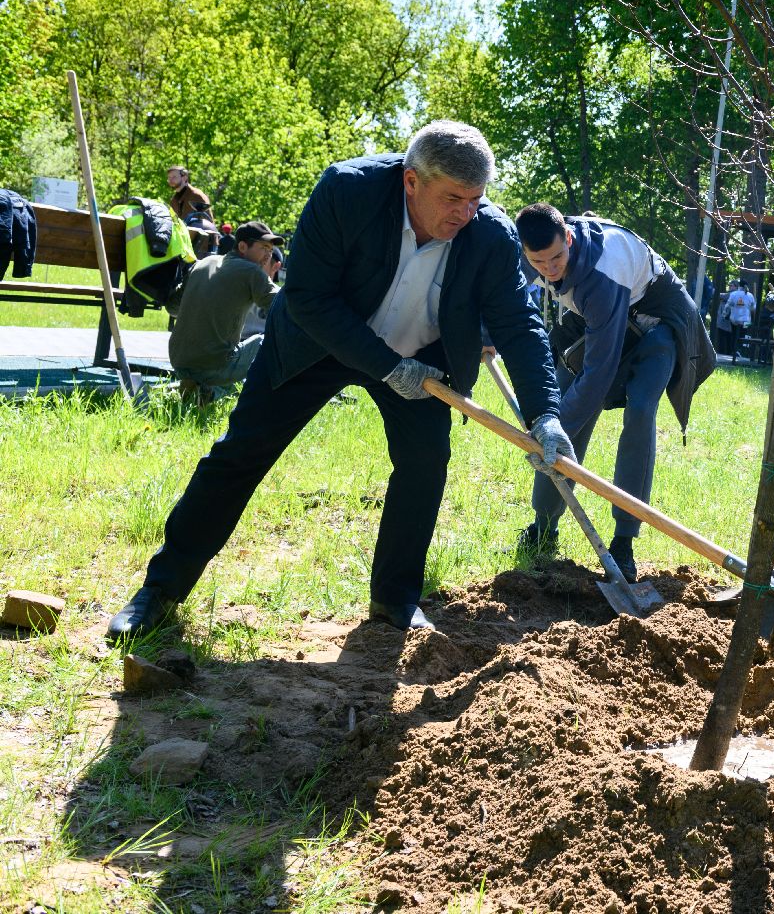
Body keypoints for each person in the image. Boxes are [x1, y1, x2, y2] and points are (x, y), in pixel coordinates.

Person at [106, 121, 568, 638]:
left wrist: (545, 414)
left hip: (421, 357)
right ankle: (160, 590)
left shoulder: (490, 233)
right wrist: (388, 367)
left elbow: (519, 324)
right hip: (319, 342)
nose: (465, 213)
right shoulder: (347, 191)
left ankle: (395, 601)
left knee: (424, 466)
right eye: (453, 198)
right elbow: (306, 298)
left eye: (476, 199)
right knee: (240, 454)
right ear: (410, 181)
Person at [515, 203, 715, 579]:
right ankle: (543, 529)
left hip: (657, 323)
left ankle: (624, 541)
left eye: (557, 258)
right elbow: (505, 304)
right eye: (539, 263)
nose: (550, 269)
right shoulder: (527, 253)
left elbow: (599, 374)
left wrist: (552, 433)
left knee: (639, 410)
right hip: (597, 323)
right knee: (556, 408)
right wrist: (486, 338)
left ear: (569, 238)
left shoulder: (604, 275)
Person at [167, 221, 283, 400]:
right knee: (268, 340)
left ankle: (199, 388)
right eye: (264, 248)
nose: (269, 255)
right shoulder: (251, 271)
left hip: (178, 359)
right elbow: (285, 308)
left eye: (271, 250)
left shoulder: (203, 262)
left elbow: (172, 307)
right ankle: (269, 398)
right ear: (243, 246)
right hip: (214, 365)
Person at [724, 280, 756, 359]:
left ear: (739, 286)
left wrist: (724, 315)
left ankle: (734, 350)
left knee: (734, 334)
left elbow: (727, 306)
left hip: (734, 320)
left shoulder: (733, 294)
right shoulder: (750, 295)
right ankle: (739, 349)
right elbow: (754, 308)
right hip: (746, 322)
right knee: (744, 333)